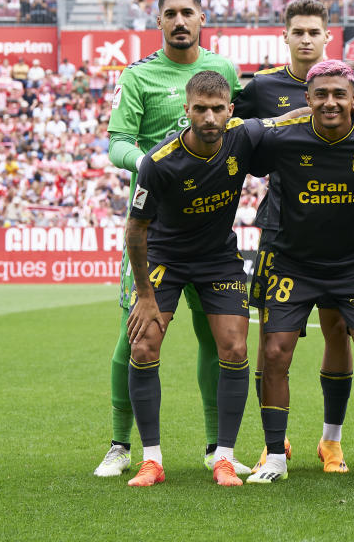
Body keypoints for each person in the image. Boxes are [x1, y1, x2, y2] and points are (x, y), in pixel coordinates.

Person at [95, 0, 244, 479]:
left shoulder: (222, 71)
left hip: (208, 229)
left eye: (189, 13)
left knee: (214, 336)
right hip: (155, 224)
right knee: (134, 333)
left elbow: (243, 125)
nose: (180, 21)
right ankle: (121, 443)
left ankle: (212, 445)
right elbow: (116, 142)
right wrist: (155, 166)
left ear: (203, 19)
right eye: (171, 14)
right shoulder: (137, 75)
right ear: (158, 22)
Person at [244, 60, 354, 484]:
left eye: (340, 94)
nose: (330, 102)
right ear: (307, 99)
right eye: (321, 94)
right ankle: (277, 457)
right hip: (292, 263)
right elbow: (239, 146)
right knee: (275, 353)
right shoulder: (282, 139)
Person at [232, 0, 354, 475]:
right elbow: (235, 128)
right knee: (274, 339)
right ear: (286, 36)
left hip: (343, 234)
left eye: (315, 31)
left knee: (338, 331)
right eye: (299, 31)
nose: (307, 38)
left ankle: (330, 442)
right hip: (280, 231)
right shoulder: (265, 87)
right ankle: (276, 443)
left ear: (327, 35)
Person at [124, 71, 262, 487]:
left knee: (235, 348)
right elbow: (135, 230)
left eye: (217, 109)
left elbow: (293, 118)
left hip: (218, 257)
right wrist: (145, 294)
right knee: (144, 345)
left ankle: (223, 457)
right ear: (186, 110)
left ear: (230, 111)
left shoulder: (243, 137)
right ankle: (151, 460)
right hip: (166, 256)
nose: (208, 117)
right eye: (199, 108)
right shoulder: (159, 162)